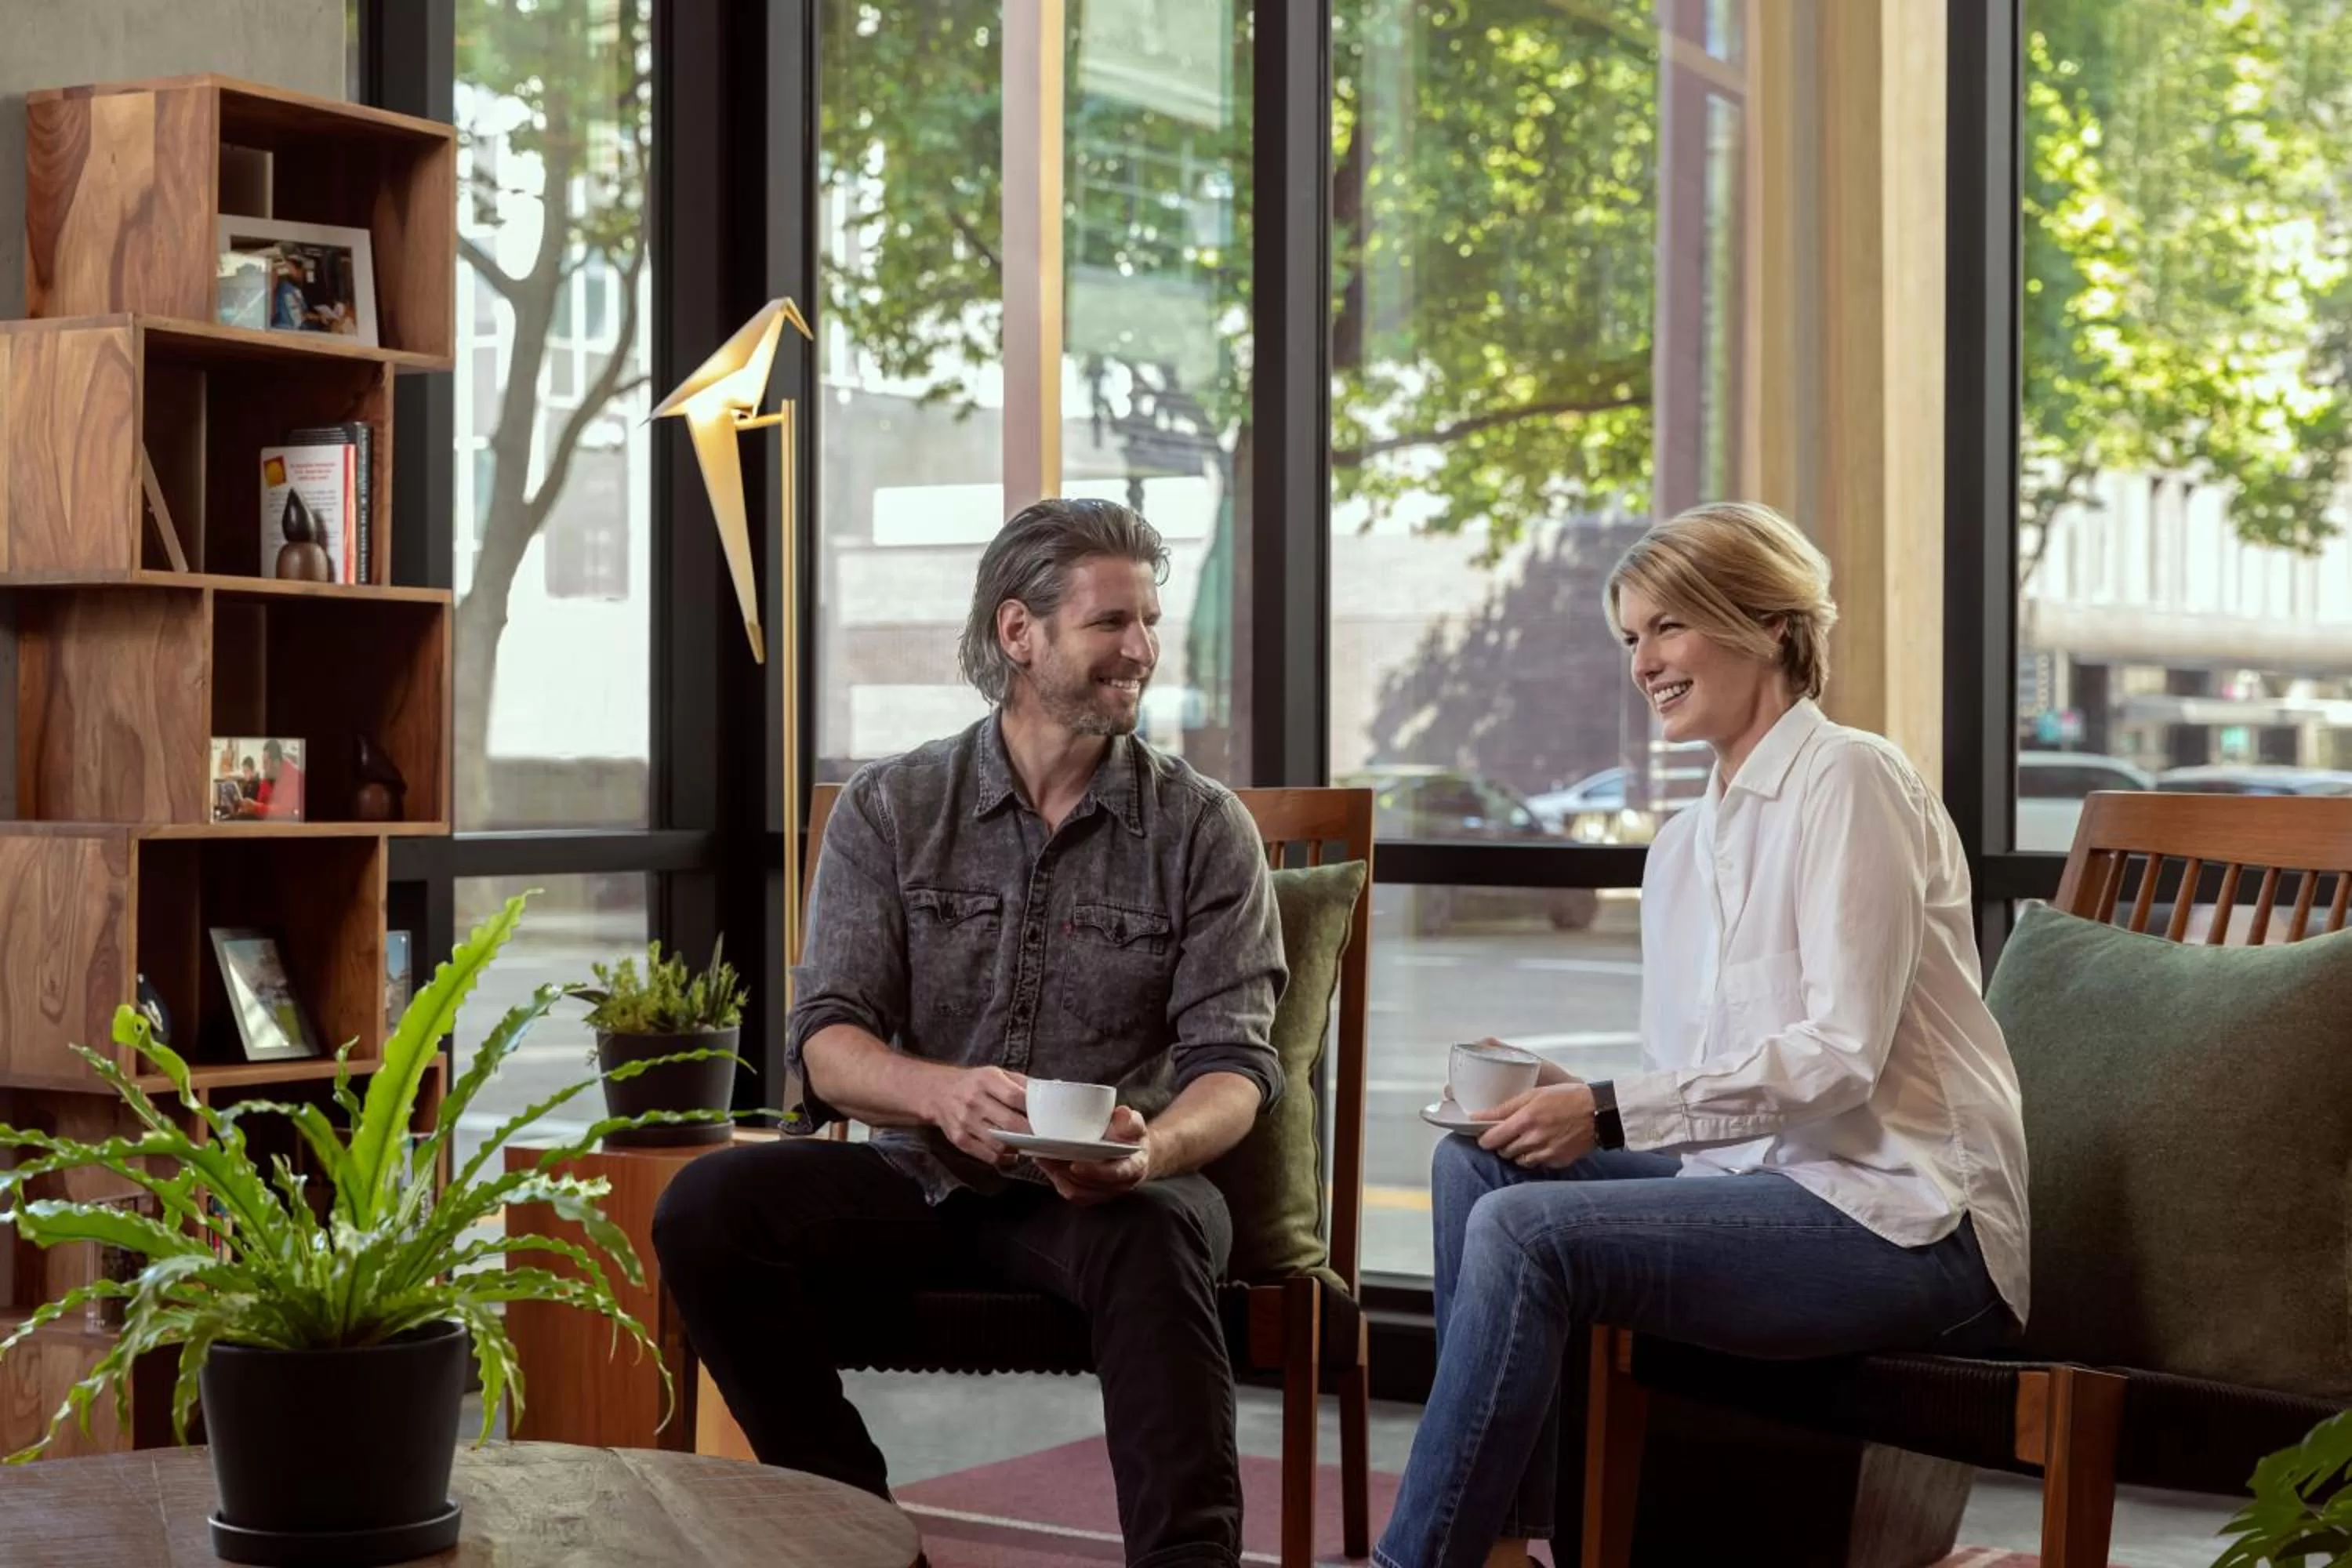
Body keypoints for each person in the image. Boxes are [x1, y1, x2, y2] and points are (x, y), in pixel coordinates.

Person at [1377, 502, 2031, 1568]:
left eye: (1669, 627)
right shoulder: (1682, 847)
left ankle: (1422, 1562)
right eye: (1631, 638)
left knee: (1524, 1232)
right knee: (1478, 1170)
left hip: (1912, 1224)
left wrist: (1601, 1112)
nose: (1644, 663)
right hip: (1760, 1197)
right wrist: (1568, 1093)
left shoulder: (1852, 779)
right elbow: (1702, 1097)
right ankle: (1501, 1546)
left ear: (1770, 624)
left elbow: (1839, 1054)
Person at [654, 497, 1287, 1568]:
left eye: (1148, 622)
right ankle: (856, 1530)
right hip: (917, 1181)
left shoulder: (1200, 827)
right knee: (708, 1207)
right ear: (1017, 631)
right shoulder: (891, 808)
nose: (1140, 650)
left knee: (1164, 1230)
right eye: (1110, 624)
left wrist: (1153, 1151)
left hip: (1104, 1201)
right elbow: (827, 1040)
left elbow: (1237, 1064)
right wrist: (938, 1094)